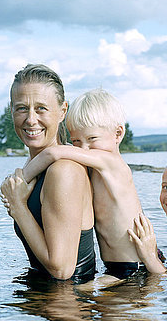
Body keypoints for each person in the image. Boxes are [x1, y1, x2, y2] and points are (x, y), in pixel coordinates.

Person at [17, 88, 146, 281]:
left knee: (81, 291)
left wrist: (18, 181)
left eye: (92, 139)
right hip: (116, 266)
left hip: (132, 265)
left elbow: (53, 153)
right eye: (76, 141)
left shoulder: (112, 163)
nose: (84, 149)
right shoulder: (95, 164)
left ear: (118, 133)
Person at [0, 64, 96, 282]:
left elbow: (61, 270)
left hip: (69, 306)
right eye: (22, 108)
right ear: (12, 111)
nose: (31, 119)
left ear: (62, 111)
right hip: (45, 301)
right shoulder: (35, 166)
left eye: (41, 108)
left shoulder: (64, 170)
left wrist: (17, 206)